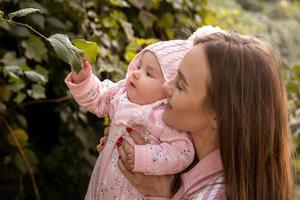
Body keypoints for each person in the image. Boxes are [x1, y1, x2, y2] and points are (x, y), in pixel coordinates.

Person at [114, 31, 294, 199]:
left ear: (216, 113)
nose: (165, 87)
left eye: (180, 85)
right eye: (174, 76)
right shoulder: (185, 166)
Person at [65, 26, 224, 200]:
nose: (136, 74)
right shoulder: (121, 95)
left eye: (180, 84)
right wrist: (84, 79)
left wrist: (140, 157)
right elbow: (98, 97)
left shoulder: (162, 120)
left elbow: (181, 152)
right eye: (138, 66)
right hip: (99, 187)